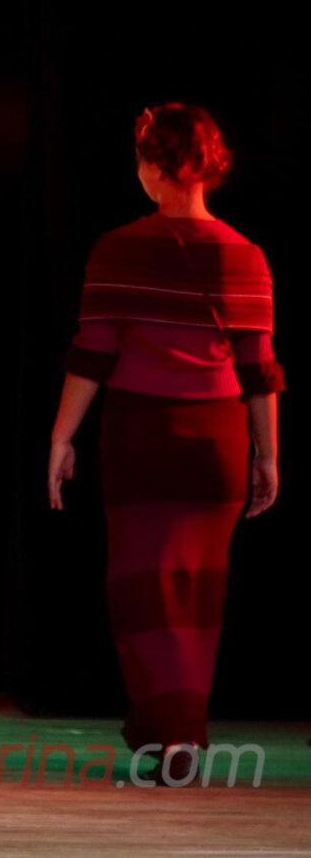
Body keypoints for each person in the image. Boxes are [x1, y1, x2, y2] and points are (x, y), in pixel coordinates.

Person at [48, 103, 282, 783]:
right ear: (209, 167)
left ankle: (173, 736)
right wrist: (267, 455)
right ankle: (174, 734)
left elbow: (92, 353)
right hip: (217, 444)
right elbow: (258, 369)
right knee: (198, 595)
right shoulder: (246, 255)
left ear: (153, 167)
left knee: (144, 592)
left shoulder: (119, 247)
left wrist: (61, 437)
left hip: (143, 438)